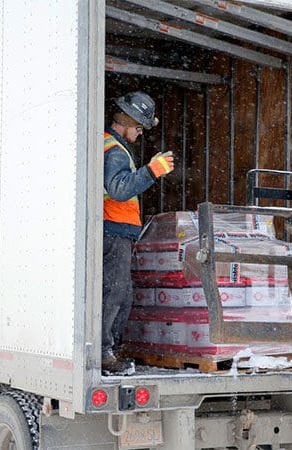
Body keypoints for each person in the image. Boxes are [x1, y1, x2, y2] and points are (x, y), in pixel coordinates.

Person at [102, 91, 174, 374]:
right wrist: (152, 171)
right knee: (115, 293)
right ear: (128, 122)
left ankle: (109, 350)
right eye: (140, 127)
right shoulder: (115, 151)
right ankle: (104, 354)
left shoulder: (113, 147)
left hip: (116, 232)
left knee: (121, 293)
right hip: (112, 231)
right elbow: (119, 190)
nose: (141, 133)